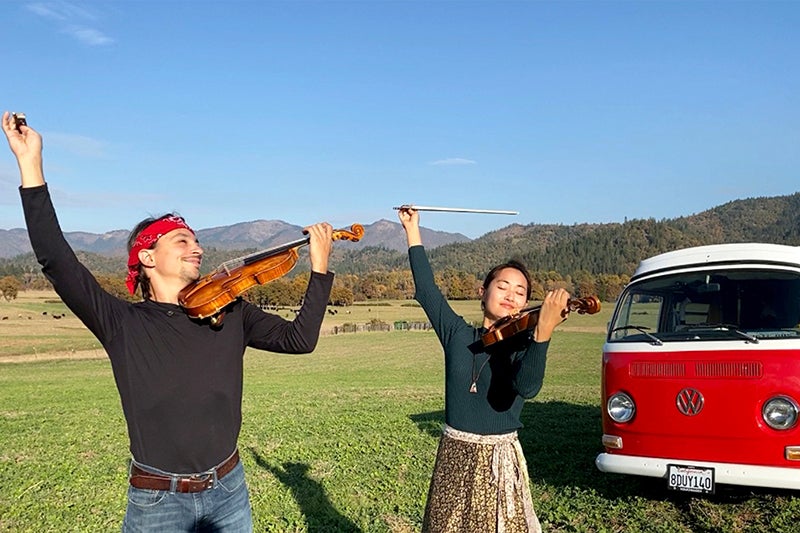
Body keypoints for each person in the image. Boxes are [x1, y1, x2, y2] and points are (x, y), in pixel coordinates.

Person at [2, 111, 335, 532]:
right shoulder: (121, 323)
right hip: (157, 502)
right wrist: (30, 163)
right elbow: (55, 258)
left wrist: (320, 270)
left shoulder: (230, 311)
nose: (196, 249)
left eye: (196, 241)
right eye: (182, 241)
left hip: (229, 490)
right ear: (147, 257)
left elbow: (300, 339)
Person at [398, 206, 570, 533]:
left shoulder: (523, 346)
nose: (512, 296)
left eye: (521, 292)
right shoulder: (458, 335)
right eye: (503, 286)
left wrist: (543, 334)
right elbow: (427, 291)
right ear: (483, 292)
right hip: (454, 455)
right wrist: (412, 229)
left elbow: (528, 387)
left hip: (500, 462)